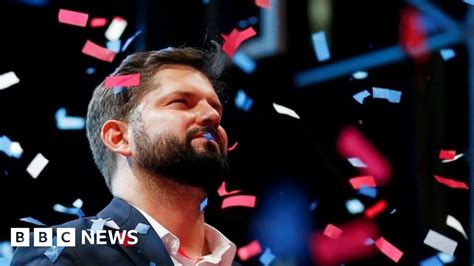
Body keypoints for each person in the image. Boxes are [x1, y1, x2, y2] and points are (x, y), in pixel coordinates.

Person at [11, 46, 239, 265]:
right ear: (119, 138)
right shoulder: (61, 251)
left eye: (215, 107)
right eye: (180, 102)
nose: (211, 115)